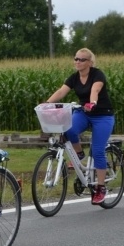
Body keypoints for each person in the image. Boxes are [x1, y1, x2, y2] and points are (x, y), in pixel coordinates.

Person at [46, 48, 116, 205]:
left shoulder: (97, 74)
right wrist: (47, 104)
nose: (77, 62)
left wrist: (92, 103)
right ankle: (79, 154)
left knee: (98, 151)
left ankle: (100, 187)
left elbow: (95, 90)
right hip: (84, 113)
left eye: (82, 59)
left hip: (103, 116)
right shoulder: (73, 78)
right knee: (67, 128)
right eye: (76, 59)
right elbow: (61, 92)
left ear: (90, 62)